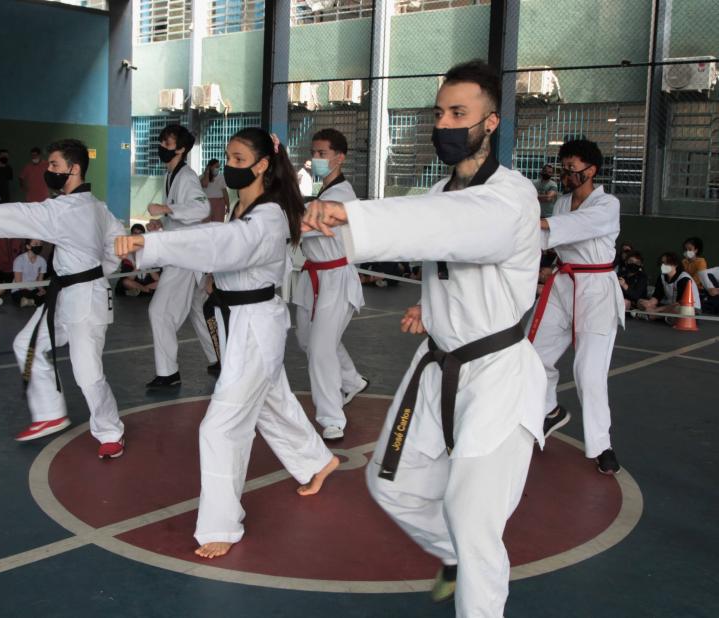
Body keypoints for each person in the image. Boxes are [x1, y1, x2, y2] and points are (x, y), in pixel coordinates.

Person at [302, 60, 546, 617]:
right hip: (436, 364)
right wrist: (429, 306)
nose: (446, 123)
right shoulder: (440, 189)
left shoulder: (512, 196)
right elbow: (449, 244)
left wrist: (352, 216)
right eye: (440, 113)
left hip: (495, 376)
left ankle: (473, 577)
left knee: (473, 518)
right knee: (392, 486)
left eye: (460, 113)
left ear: (491, 122)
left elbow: (461, 228)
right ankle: (452, 555)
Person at [116, 127, 339, 560]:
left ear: (261, 165)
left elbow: (223, 244)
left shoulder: (268, 215)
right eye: (229, 159)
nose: (230, 167)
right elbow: (221, 246)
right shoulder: (243, 206)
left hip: (256, 325)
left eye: (238, 160)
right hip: (240, 319)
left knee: (220, 427)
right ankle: (316, 461)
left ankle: (221, 525)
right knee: (271, 402)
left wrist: (153, 242)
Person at [0, 138, 125, 451]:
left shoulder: (70, 209)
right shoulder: (95, 206)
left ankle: (110, 431)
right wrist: (101, 270)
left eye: (54, 165)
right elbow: (116, 244)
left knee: (87, 372)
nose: (48, 171)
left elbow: (20, 215)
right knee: (27, 344)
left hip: (86, 301)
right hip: (65, 295)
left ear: (73, 169)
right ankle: (51, 412)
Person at [529, 139, 624, 476]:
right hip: (562, 285)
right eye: (564, 167)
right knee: (533, 356)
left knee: (588, 372)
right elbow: (553, 240)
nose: (566, 174)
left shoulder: (607, 204)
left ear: (591, 170)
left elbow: (571, 230)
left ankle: (602, 444)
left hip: (596, 291)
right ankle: (549, 410)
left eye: (572, 169)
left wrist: (528, 223)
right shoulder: (563, 203)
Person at [293, 128, 367, 441]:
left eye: (322, 153)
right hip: (313, 276)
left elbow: (303, 225)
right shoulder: (323, 193)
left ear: (340, 157)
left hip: (336, 278)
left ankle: (331, 418)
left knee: (321, 348)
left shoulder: (341, 195)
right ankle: (351, 381)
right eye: (314, 152)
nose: (316, 158)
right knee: (308, 340)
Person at [145, 124, 219, 388]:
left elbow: (201, 208)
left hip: (186, 255)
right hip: (186, 251)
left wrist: (166, 208)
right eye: (162, 142)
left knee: (159, 311)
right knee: (198, 307)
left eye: (168, 144)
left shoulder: (185, 176)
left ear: (182, 149)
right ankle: (218, 358)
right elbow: (179, 216)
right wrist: (162, 223)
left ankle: (168, 372)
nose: (163, 148)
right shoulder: (172, 175)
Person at [638, 252, 701, 320]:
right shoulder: (662, 277)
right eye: (662, 263)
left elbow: (680, 303)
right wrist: (649, 303)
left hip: (690, 308)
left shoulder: (684, 278)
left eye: (667, 263)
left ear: (676, 264)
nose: (663, 265)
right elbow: (657, 296)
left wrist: (657, 310)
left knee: (678, 309)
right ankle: (660, 316)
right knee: (640, 302)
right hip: (670, 305)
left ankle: (654, 315)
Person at [115, 223, 158, 297]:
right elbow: (128, 278)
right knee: (126, 282)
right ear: (131, 234)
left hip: (147, 282)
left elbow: (157, 278)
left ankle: (140, 290)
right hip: (134, 281)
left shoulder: (150, 251)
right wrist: (138, 265)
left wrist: (147, 265)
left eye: (140, 233)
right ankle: (147, 291)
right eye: (135, 233)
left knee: (163, 282)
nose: (137, 235)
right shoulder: (127, 253)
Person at [11, 239, 48, 307]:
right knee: (22, 294)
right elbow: (18, 283)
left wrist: (42, 290)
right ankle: (33, 301)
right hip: (20, 290)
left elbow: (40, 282)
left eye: (40, 244)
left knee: (48, 293)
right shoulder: (19, 260)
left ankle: (30, 301)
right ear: (28, 246)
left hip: (33, 289)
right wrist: (29, 292)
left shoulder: (42, 261)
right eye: (36, 244)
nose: (39, 246)